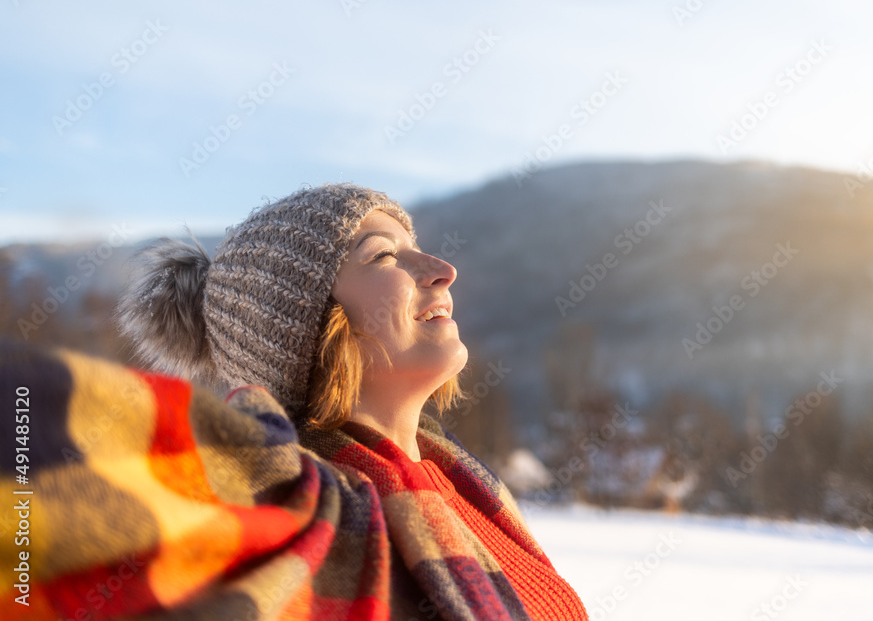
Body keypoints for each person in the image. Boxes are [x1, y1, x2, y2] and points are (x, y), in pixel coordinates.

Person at [0, 183, 589, 619]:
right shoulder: (278, 500)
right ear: (306, 326)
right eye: (384, 256)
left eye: (418, 249)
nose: (442, 270)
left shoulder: (469, 491)